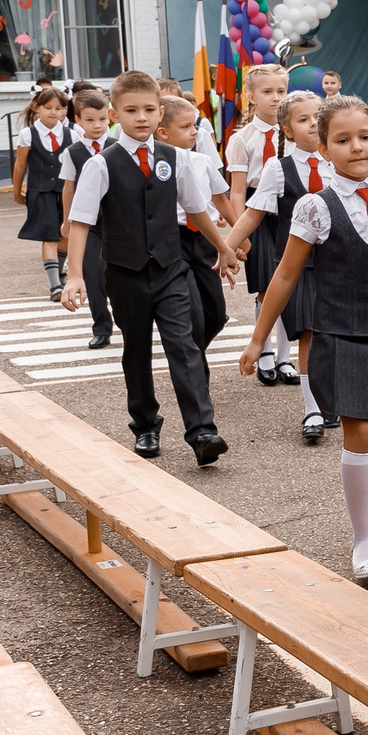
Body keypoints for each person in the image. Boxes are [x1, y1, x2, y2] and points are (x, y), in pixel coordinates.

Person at [235, 96, 368, 577]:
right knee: (360, 429)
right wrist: (259, 339)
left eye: (364, 137)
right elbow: (284, 275)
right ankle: (362, 538)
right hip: (340, 331)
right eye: (342, 140)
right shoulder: (314, 206)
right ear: (323, 148)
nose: (356, 147)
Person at [59, 70, 235, 465]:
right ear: (114, 114)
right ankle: (145, 425)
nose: (142, 117)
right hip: (125, 273)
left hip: (171, 269)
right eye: (131, 110)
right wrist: (73, 275)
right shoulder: (101, 165)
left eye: (150, 110)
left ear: (160, 114)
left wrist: (223, 248)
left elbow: (196, 209)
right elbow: (81, 221)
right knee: (136, 350)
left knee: (185, 346)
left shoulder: (177, 159)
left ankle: (203, 430)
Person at [223, 91, 330, 440]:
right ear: (287, 129)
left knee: (341, 338)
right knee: (310, 335)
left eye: (318, 115)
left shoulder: (341, 159)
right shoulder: (278, 168)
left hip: (341, 265)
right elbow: (254, 213)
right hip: (302, 267)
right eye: (303, 119)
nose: (313, 123)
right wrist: (227, 247)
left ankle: (337, 399)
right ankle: (313, 409)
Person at [226, 63, 292, 380]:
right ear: (251, 97)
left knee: (293, 286)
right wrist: (241, 233)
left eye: (281, 91)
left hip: (291, 213)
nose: (276, 98)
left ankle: (284, 358)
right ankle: (263, 353)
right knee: (267, 287)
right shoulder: (243, 139)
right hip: (258, 214)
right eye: (267, 92)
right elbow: (238, 191)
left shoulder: (295, 133)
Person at [156, 94, 231, 358]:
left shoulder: (202, 162)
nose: (194, 131)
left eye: (194, 125)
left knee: (216, 314)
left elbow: (221, 199)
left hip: (204, 239)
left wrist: (239, 237)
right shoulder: (157, 164)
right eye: (185, 127)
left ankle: (190, 354)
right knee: (193, 314)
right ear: (163, 133)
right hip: (173, 239)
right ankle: (196, 375)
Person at [57, 91, 118, 349]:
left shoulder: (119, 145)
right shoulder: (73, 152)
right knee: (93, 275)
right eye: (90, 120)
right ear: (77, 120)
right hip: (89, 223)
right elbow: (68, 187)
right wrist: (67, 219)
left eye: (102, 119)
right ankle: (101, 327)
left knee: (118, 275)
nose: (97, 125)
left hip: (117, 221)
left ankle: (130, 323)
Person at [12, 86, 73, 296]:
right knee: (50, 236)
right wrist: (17, 191)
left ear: (65, 110)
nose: (53, 112)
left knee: (65, 234)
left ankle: (62, 275)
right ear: (37, 107)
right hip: (40, 191)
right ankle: (55, 285)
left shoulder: (71, 134)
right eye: (48, 107)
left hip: (64, 190)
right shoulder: (28, 134)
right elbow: (20, 165)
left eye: (59, 108)